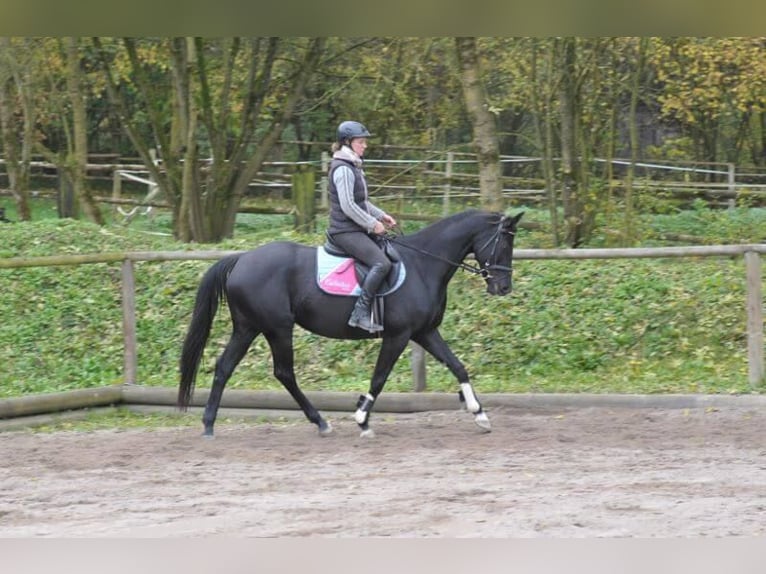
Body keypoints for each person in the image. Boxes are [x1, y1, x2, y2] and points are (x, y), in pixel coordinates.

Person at [327, 120, 397, 333]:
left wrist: (381, 215)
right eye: (361, 141)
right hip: (344, 231)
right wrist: (372, 224)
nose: (365, 145)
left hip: (354, 228)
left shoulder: (353, 166)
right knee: (381, 263)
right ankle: (359, 314)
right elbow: (348, 206)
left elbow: (360, 202)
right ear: (347, 142)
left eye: (365, 142)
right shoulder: (344, 169)